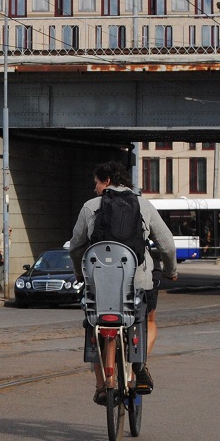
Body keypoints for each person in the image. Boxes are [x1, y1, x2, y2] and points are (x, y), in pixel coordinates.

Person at [70, 160, 177, 404]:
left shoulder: (90, 207)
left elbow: (76, 248)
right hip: (138, 281)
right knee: (148, 319)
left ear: (106, 181)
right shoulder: (143, 205)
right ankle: (137, 368)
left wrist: (80, 274)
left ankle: (101, 386)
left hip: (99, 283)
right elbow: (167, 245)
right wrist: (171, 271)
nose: (95, 188)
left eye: (96, 183)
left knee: (94, 327)